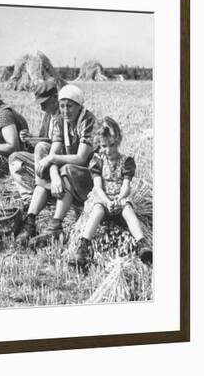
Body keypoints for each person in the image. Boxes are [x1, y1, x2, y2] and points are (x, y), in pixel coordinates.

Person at [18, 84, 96, 248]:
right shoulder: (60, 120)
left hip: (88, 175)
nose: (66, 111)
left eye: (70, 106)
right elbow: (53, 151)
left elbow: (81, 158)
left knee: (65, 168)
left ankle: (56, 224)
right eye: (62, 106)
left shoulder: (88, 121)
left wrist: (53, 160)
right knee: (41, 148)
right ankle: (30, 221)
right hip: (66, 169)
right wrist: (54, 176)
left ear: (79, 106)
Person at [70, 117, 152, 267]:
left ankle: (141, 243)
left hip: (120, 197)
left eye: (112, 145)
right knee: (97, 209)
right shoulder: (98, 161)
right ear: (98, 145)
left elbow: (126, 185)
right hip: (103, 198)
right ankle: (83, 246)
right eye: (104, 146)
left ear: (119, 140)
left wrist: (119, 199)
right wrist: (107, 201)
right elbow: (97, 187)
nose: (108, 150)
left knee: (127, 208)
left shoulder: (126, 161)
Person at [8, 81, 60, 192]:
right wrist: (29, 139)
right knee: (14, 157)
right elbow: (44, 139)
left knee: (41, 147)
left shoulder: (65, 115)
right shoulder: (48, 115)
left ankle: (41, 189)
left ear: (55, 98)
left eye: (44, 103)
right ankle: (27, 195)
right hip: (44, 157)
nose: (42, 108)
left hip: (58, 158)